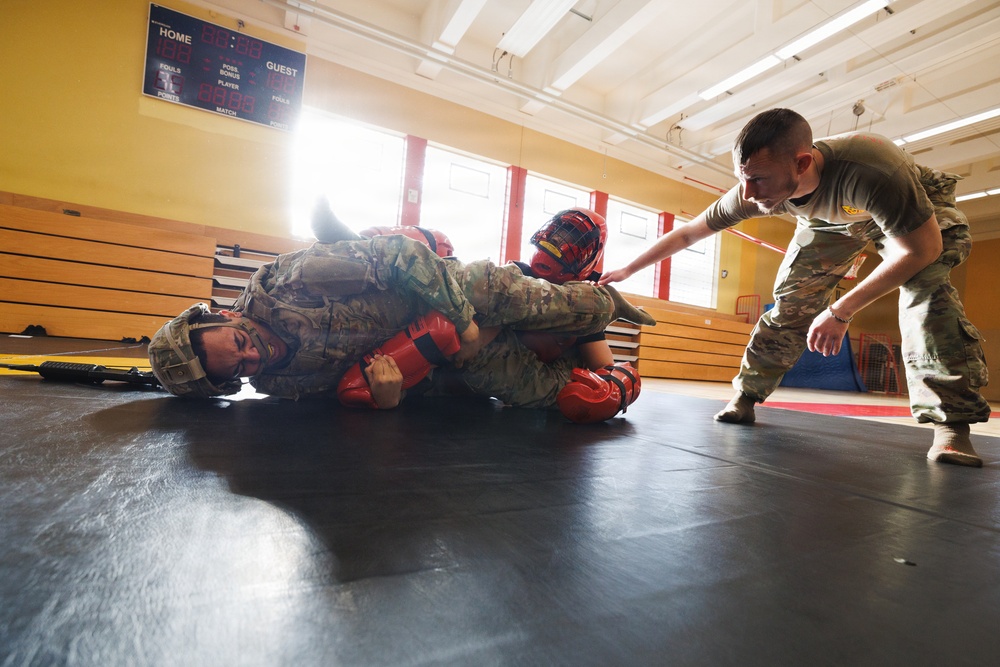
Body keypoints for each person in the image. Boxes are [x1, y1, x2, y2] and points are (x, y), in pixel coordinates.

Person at [600, 107, 991, 467]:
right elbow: (688, 233)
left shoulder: (873, 169)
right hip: (830, 223)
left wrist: (841, 310)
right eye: (743, 179)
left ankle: (952, 427)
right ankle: (747, 395)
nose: (749, 194)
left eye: (757, 180)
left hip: (914, 212)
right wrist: (629, 269)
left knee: (927, 297)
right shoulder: (755, 190)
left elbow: (921, 250)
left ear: (802, 163)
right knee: (790, 303)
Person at [148, 208, 651, 422]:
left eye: (238, 344)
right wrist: (386, 400)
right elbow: (355, 393)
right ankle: (617, 384)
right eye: (237, 369)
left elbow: (403, 260)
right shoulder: (278, 385)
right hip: (436, 352)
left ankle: (606, 305)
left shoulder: (291, 281)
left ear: (221, 314)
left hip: (450, 294)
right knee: (556, 399)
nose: (253, 357)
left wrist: (463, 318)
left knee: (511, 292)